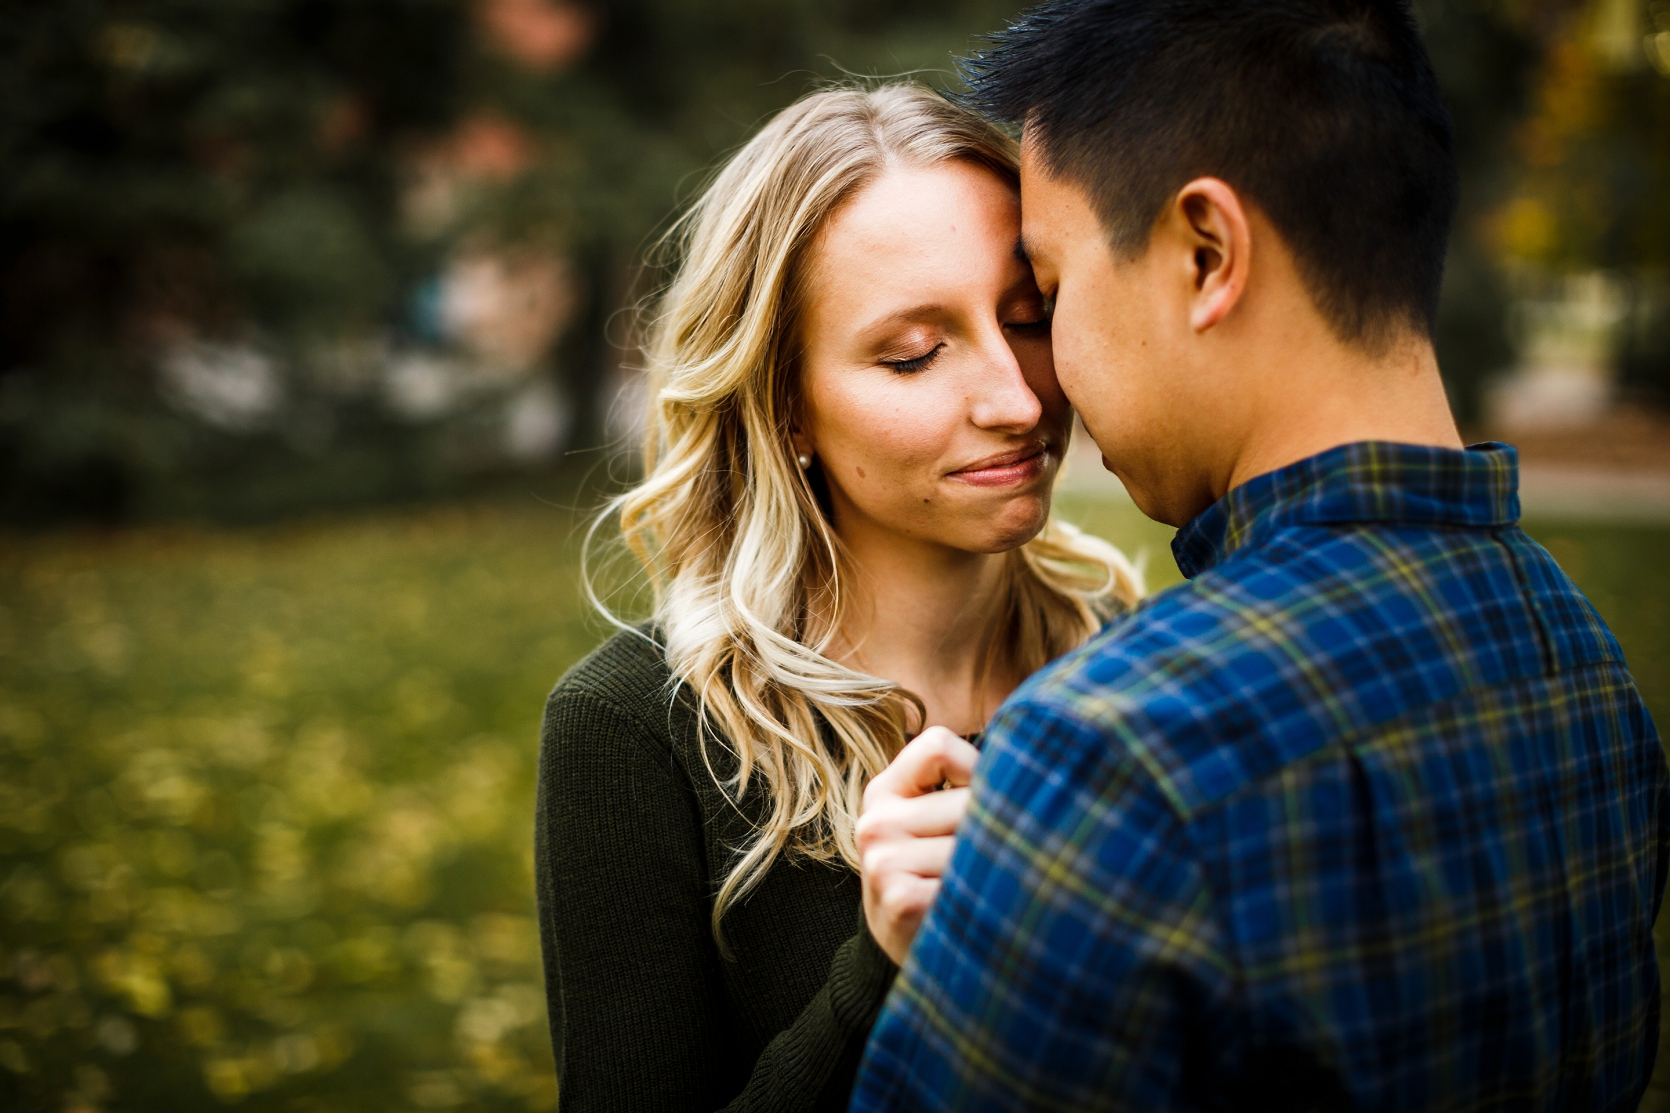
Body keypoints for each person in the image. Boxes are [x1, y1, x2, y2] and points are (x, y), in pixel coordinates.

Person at [852, 2, 1669, 1111]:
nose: (1039, 390)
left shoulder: (1114, 749)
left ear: (1205, 254)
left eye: (1046, 295)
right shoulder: (1578, 653)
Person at [533, 83, 1142, 1112]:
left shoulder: (1129, 668)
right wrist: (879, 975)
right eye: (914, 353)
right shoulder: (635, 731)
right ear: (786, 407)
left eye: (1027, 318)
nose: (1016, 398)